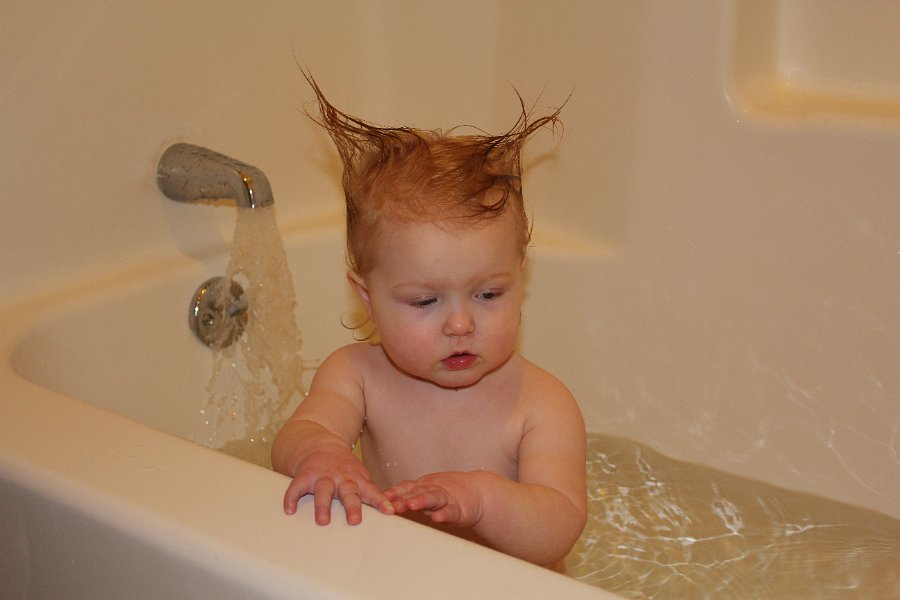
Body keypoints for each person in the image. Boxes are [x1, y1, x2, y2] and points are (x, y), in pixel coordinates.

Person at [271, 73, 586, 569]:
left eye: (489, 294)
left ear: (520, 278)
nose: (459, 323)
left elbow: (559, 529)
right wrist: (321, 453)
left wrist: (483, 500)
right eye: (424, 302)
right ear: (367, 298)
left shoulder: (541, 403)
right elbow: (299, 432)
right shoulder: (356, 375)